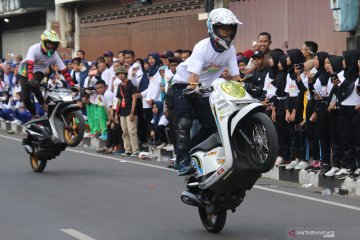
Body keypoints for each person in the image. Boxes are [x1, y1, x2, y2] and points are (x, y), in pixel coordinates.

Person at [172, 8, 242, 175]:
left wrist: (245, 89)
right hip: (184, 84)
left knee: (211, 126)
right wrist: (193, 87)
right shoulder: (202, 46)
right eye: (223, 27)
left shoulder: (230, 49)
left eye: (230, 27)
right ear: (213, 28)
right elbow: (193, 75)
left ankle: (191, 153)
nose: (228, 31)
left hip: (204, 89)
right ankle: (181, 160)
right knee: (184, 123)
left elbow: (236, 76)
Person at [18, 30, 75, 119]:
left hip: (39, 71)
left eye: (54, 44)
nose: (52, 46)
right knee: (25, 98)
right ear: (44, 42)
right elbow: (30, 66)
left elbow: (64, 71)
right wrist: (30, 78)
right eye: (49, 43)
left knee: (34, 84)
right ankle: (34, 115)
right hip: (25, 71)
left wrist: (72, 85)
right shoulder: (33, 49)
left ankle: (43, 104)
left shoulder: (55, 55)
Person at [115, 66, 140, 157]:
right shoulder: (120, 86)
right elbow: (118, 100)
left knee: (132, 131)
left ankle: (135, 150)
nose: (119, 76)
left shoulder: (131, 84)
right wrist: (116, 114)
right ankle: (127, 149)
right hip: (122, 111)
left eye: (121, 73)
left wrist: (132, 112)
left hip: (130, 111)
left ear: (125, 74)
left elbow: (134, 99)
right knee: (124, 131)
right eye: (118, 74)